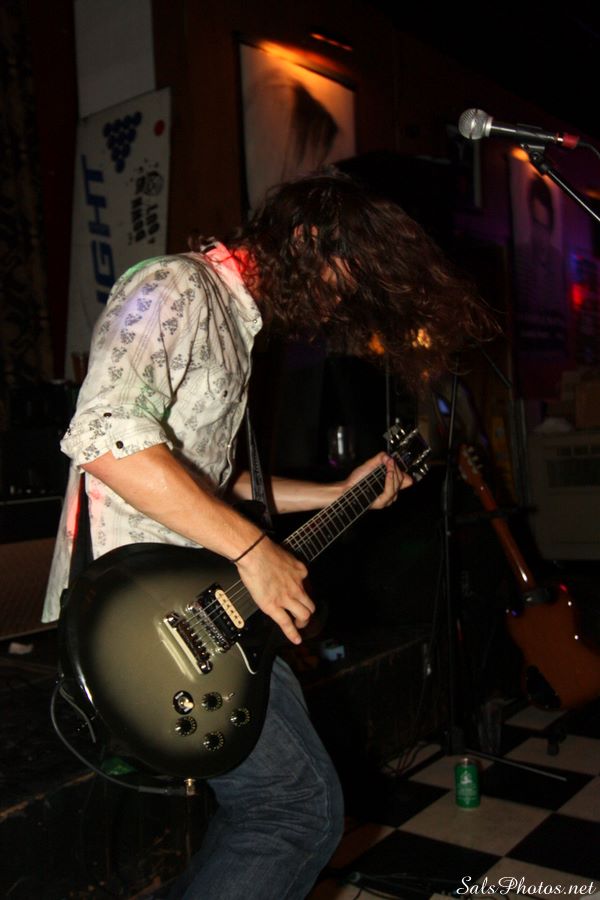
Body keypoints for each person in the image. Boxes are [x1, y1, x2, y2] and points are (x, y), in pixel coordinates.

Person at [43, 170, 487, 899]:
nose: (338, 301)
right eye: (344, 276)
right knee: (293, 811)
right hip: (147, 612)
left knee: (288, 808)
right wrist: (253, 550)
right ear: (307, 238)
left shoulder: (237, 326)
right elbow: (103, 437)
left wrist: (343, 494)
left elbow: (212, 484)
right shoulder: (175, 285)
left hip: (207, 605)